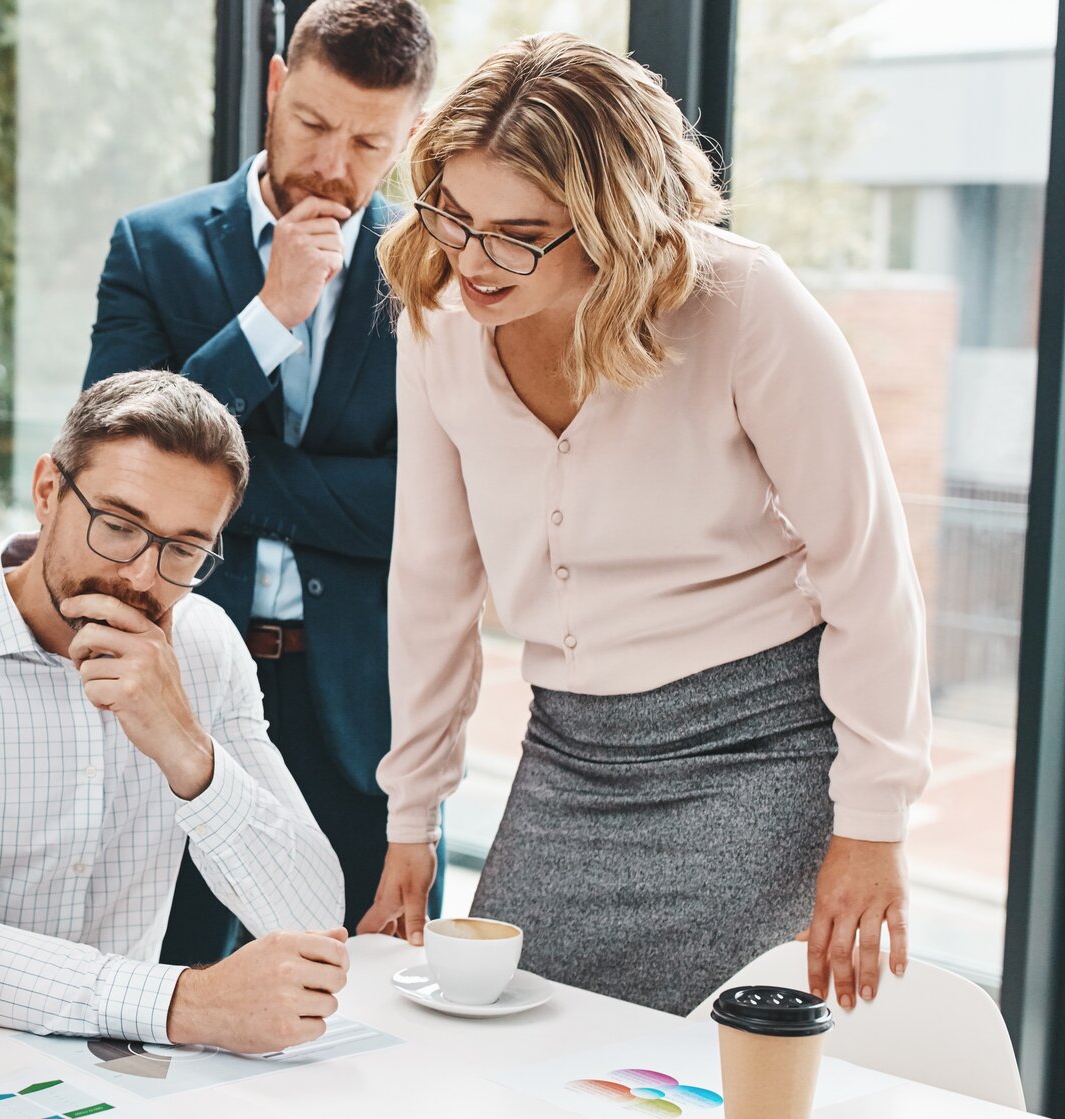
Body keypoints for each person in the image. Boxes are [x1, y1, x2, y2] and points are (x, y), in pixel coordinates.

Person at [358, 34, 934, 1016]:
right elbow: (430, 579)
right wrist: (410, 816)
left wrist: (872, 821)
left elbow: (867, 568)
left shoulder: (743, 304)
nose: (475, 261)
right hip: (569, 754)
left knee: (697, 1072)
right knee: (505, 1047)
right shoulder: (440, 321)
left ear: (611, 222)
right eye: (455, 216)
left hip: (759, 753)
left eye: (520, 232)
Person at [83, 0, 437, 963]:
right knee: (181, 972)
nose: (334, 164)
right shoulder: (153, 249)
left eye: (370, 142)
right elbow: (118, 458)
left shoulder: (434, 273)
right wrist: (272, 314)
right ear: (278, 87)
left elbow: (433, 509)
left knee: (355, 990)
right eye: (315, 124)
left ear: (408, 136)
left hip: (358, 705)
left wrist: (240, 478)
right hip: (186, 681)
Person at [0, 371, 347, 1054]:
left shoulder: (204, 642)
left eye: (184, 549)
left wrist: (188, 751)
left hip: (123, 1078)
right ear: (47, 492)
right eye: (119, 525)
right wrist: (184, 1003)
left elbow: (311, 917)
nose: (140, 575)